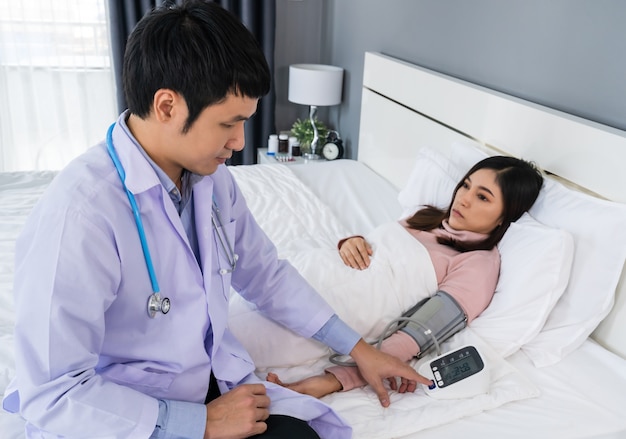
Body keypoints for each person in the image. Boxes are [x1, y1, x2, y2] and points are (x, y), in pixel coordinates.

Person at [1, 2, 431, 438]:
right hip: (125, 416)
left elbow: (265, 275)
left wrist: (359, 349)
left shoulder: (211, 181)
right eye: (229, 123)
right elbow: (54, 393)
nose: (240, 141)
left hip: (208, 386)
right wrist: (200, 424)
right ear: (167, 106)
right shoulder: (81, 215)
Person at [268, 155, 544, 398]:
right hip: (304, 270)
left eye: (483, 197)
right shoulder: (425, 216)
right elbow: (378, 249)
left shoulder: (478, 264)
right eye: (466, 185)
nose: (464, 198)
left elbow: (418, 333)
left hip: (324, 310)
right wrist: (350, 241)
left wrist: (334, 380)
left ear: (503, 218)